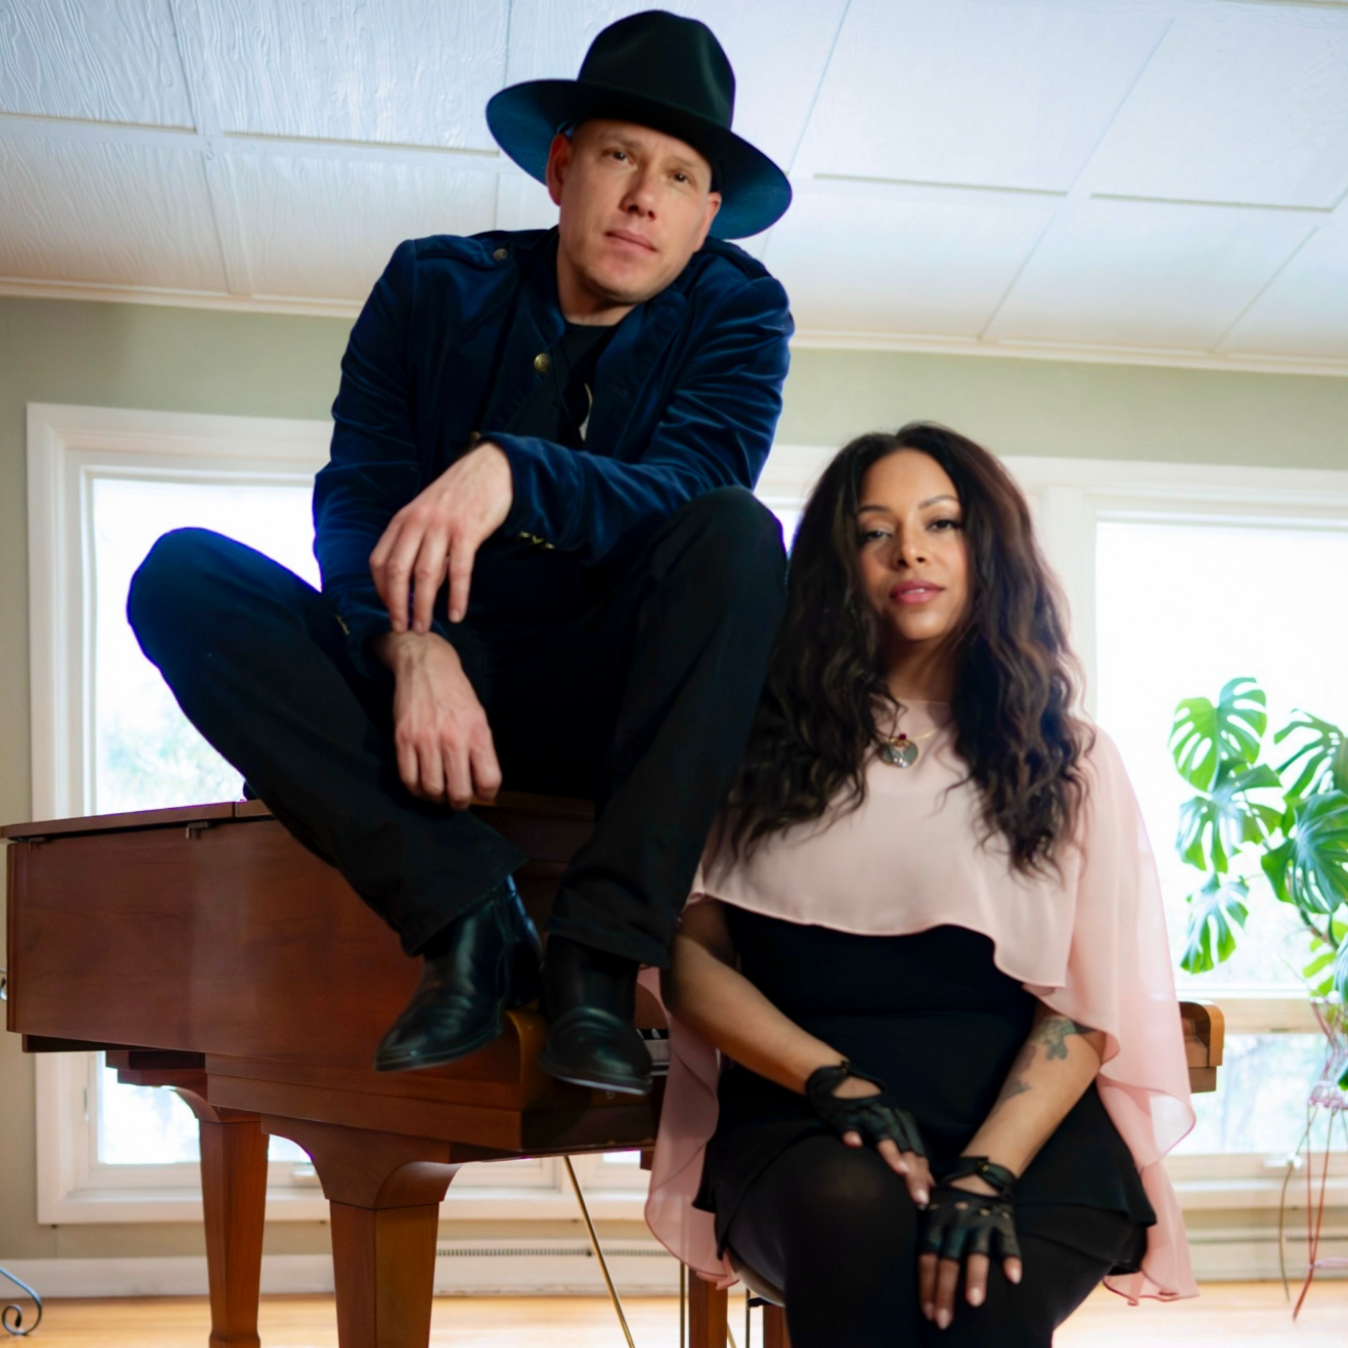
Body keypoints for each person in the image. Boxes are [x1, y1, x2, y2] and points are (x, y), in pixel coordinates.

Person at [126, 10, 794, 1098]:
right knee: (181, 575)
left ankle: (595, 961)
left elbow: (688, 488)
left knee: (737, 536)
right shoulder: (432, 284)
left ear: (705, 215)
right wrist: (405, 645)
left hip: (609, 695)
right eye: (620, 157)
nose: (642, 198)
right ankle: (469, 916)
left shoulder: (740, 310)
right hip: (423, 697)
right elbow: (356, 499)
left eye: (678, 178)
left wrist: (513, 470)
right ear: (561, 167)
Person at [644, 424, 1197, 1346]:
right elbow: (690, 960)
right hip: (807, 1114)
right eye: (874, 530)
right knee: (851, 1217)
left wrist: (986, 1171)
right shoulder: (752, 743)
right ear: (838, 562)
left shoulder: (1074, 762)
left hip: (1022, 1130)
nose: (910, 550)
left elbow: (1084, 1011)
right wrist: (833, 1079)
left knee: (986, 1290)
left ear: (990, 552)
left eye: (943, 523)